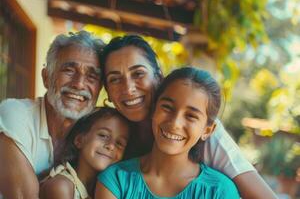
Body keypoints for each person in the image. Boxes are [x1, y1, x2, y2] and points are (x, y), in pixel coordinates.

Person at [98, 35, 277, 198]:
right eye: (115, 79)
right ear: (107, 92)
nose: (128, 89)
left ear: (158, 78)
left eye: (138, 74)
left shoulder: (212, 144)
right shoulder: (110, 143)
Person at [95, 67, 240, 198]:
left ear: (207, 130)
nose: (175, 123)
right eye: (167, 107)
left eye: (191, 116)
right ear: (154, 109)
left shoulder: (219, 191)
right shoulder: (115, 180)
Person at [0, 30, 104, 198]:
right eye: (69, 70)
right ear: (46, 76)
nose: (79, 84)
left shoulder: (96, 136)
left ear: (99, 89)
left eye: (91, 76)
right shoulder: (15, 114)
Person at [40, 107, 130, 199]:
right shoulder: (61, 186)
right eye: (103, 135)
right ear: (79, 140)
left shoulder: (107, 190)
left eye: (119, 143)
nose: (111, 146)